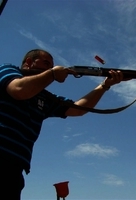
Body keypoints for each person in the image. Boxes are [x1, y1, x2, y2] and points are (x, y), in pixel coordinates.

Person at [0, 49, 126, 199]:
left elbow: (78, 109)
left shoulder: (44, 98)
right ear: (28, 62)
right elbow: (19, 90)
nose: (49, 68)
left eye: (51, 66)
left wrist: (105, 85)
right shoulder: (7, 69)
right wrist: (52, 74)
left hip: (14, 167)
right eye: (46, 63)